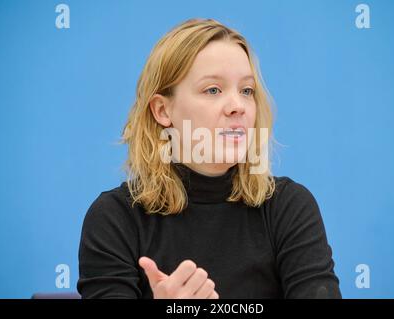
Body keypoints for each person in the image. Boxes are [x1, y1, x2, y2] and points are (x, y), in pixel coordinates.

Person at [77, 18, 342, 299]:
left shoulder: (289, 207)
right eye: (213, 90)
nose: (237, 106)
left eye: (247, 91)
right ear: (163, 111)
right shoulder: (114, 219)